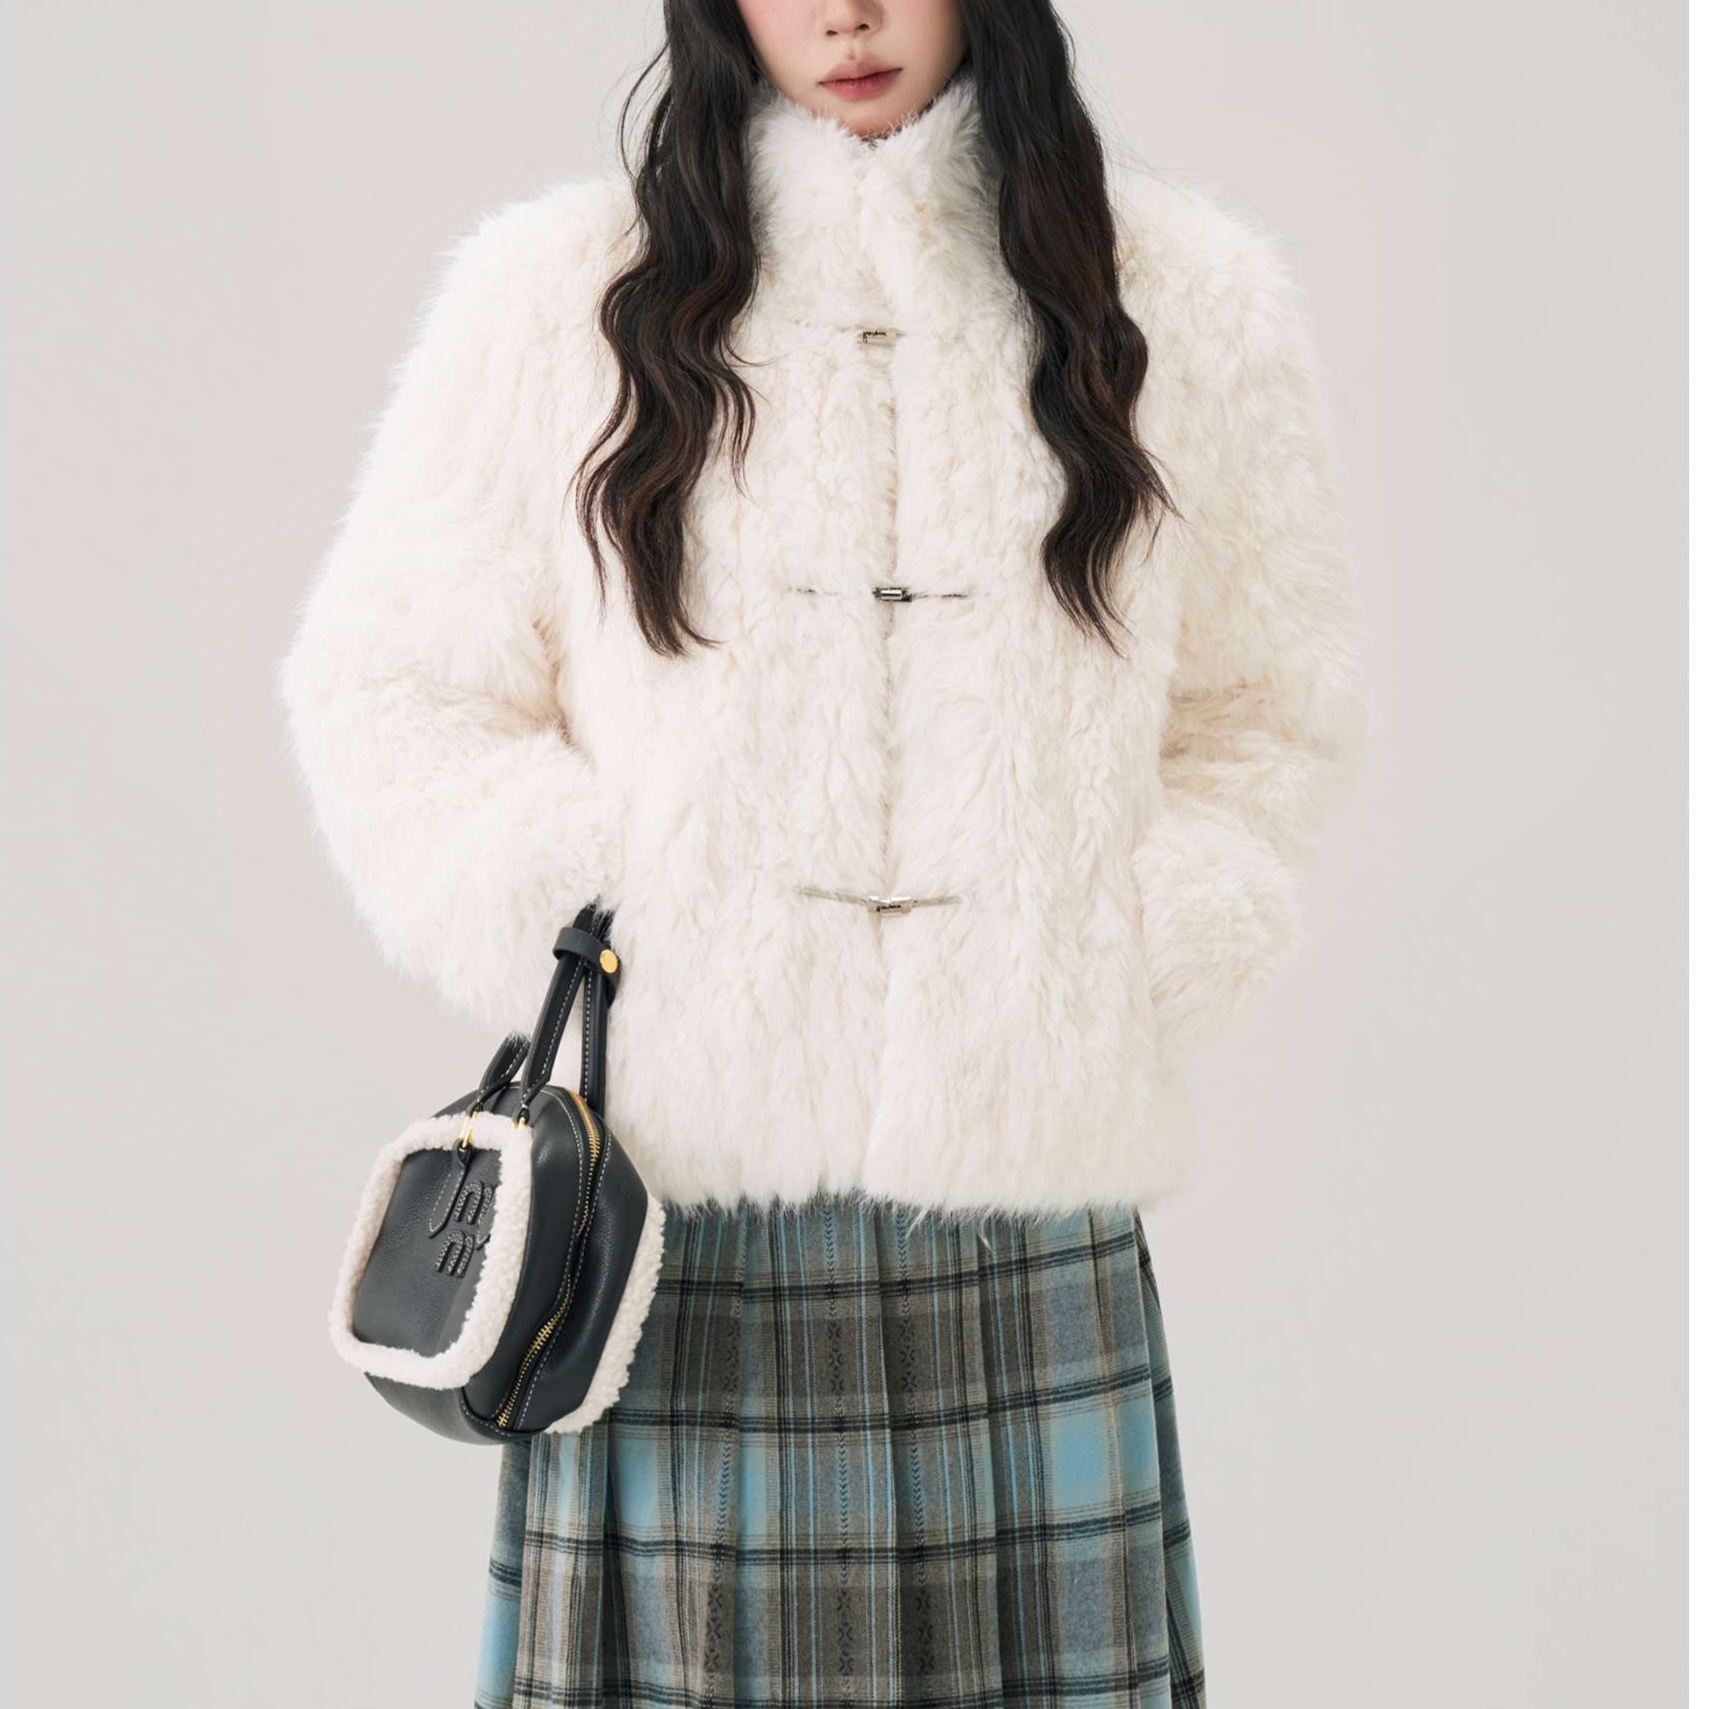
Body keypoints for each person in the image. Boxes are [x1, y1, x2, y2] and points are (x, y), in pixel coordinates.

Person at [277, 0, 1367, 1702]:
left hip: (1021, 1206)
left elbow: (1265, 704)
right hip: (682, 1226)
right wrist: (617, 937)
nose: (844, 13)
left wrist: (1133, 946)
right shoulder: (563, 297)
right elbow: (391, 692)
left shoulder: (1181, 298)